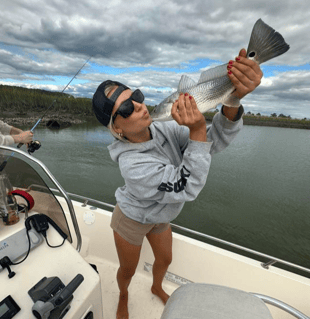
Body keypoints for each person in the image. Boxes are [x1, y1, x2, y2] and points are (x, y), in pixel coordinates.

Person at [92, 49, 263, 319]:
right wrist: (196, 130)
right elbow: (186, 186)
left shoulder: (166, 129)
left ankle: (157, 286)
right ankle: (123, 295)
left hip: (161, 215)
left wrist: (232, 100)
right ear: (118, 129)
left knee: (165, 260)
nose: (138, 105)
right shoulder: (131, 165)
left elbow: (211, 142)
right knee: (127, 270)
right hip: (132, 217)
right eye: (126, 108)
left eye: (135, 97)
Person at [0, 106, 33, 221]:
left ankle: (7, 211)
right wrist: (18, 138)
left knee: (5, 188)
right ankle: (3, 215)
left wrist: (18, 132)